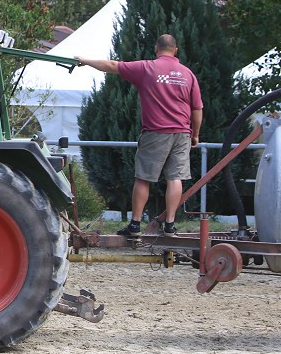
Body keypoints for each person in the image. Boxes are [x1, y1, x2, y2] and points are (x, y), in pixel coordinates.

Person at [76, 34, 203, 236]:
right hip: (182, 133)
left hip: (156, 132)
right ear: (176, 50)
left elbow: (112, 65)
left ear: (156, 48)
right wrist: (195, 134)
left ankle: (135, 225)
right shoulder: (187, 74)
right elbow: (197, 109)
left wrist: (85, 61)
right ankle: (170, 225)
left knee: (143, 178)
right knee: (175, 178)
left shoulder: (147, 68)